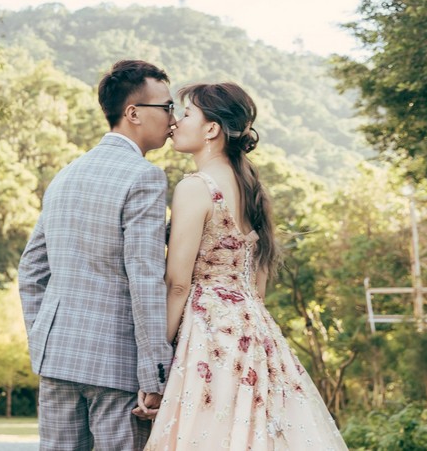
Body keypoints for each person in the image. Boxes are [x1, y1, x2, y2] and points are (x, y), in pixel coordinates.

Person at [141, 82, 347, 450]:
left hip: (208, 334)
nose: (175, 122)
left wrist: (157, 362)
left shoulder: (196, 188)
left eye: (187, 114)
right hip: (254, 335)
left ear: (211, 129)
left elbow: (177, 284)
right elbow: (258, 286)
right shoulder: (252, 188)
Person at [19, 59, 177, 451]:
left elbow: (30, 271)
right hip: (116, 364)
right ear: (133, 113)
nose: (173, 119)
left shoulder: (66, 174)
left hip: (56, 358)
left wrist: (43, 337)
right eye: (167, 107)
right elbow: (144, 276)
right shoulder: (144, 176)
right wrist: (155, 375)